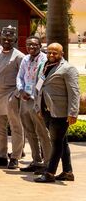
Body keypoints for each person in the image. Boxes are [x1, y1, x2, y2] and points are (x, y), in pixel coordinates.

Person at [35, 43, 80, 184]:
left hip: (60, 111)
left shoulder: (68, 69)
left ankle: (50, 173)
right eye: (49, 52)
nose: (51, 55)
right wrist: (39, 107)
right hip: (47, 110)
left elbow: (74, 92)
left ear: (62, 54)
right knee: (62, 141)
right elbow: (40, 87)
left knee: (56, 143)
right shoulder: (44, 66)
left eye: (55, 53)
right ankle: (67, 172)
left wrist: (73, 112)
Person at [0, 27, 25, 168]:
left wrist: (16, 95)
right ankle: (1, 155)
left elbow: (23, 78)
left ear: (15, 40)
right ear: (0, 39)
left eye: (10, 39)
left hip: (11, 96)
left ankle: (15, 157)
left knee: (15, 127)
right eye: (4, 38)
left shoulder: (20, 56)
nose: (7, 41)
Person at [15, 36, 51, 173]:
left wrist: (33, 93)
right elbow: (20, 76)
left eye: (35, 45)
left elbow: (43, 78)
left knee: (42, 132)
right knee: (29, 131)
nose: (31, 47)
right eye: (29, 45)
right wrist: (21, 89)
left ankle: (48, 163)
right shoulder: (25, 59)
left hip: (37, 100)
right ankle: (36, 161)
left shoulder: (44, 59)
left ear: (40, 45)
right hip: (25, 99)